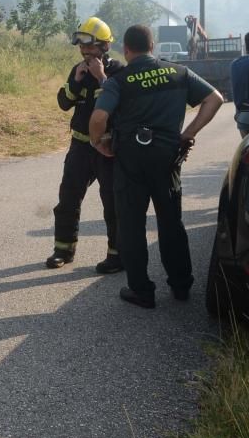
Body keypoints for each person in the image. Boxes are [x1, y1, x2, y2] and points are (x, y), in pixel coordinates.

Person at [88, 25, 223, 309]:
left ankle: (141, 291)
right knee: (171, 222)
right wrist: (188, 133)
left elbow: (99, 116)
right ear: (153, 47)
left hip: (130, 161)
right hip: (167, 158)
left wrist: (98, 142)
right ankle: (181, 285)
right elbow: (215, 99)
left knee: (132, 225)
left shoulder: (119, 80)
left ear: (126, 49)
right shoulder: (178, 72)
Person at [45, 17, 125, 274]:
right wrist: (76, 81)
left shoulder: (118, 71)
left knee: (112, 202)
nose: (85, 52)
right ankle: (63, 250)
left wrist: (101, 77)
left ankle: (116, 254)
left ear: (104, 46)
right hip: (80, 147)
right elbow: (63, 103)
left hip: (107, 148)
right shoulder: (77, 69)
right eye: (82, 47)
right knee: (67, 199)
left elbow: (120, 107)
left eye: (90, 48)